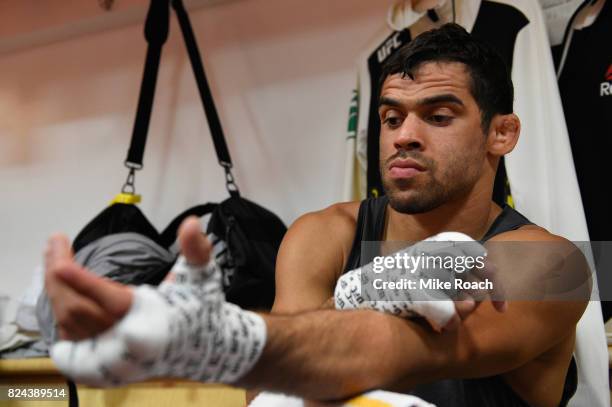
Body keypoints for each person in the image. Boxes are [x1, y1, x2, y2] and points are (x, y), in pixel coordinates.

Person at [43, 24, 589, 407]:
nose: (404, 136)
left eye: (438, 116)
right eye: (391, 117)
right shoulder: (322, 232)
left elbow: (390, 351)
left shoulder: (554, 265)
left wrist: (219, 340)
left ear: (502, 132)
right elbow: (280, 391)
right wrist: (369, 289)